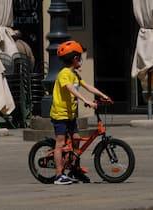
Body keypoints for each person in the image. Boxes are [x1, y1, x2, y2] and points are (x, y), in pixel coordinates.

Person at [50, 40, 111, 185]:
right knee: (60, 143)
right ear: (75, 58)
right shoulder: (64, 74)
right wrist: (86, 101)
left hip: (71, 114)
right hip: (60, 114)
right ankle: (59, 175)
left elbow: (87, 86)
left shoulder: (75, 74)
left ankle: (74, 170)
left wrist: (103, 95)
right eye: (80, 57)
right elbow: (70, 89)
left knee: (76, 139)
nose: (81, 60)